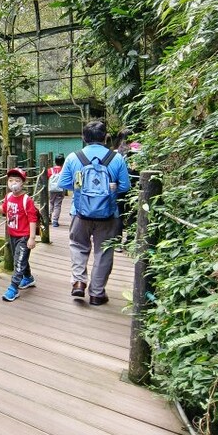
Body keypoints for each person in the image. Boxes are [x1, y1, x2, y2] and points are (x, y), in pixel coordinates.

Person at [57, 121, 130, 306]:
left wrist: (81, 187)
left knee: (78, 246)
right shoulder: (117, 158)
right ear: (105, 137)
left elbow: (63, 184)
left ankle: (79, 282)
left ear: (84, 138)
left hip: (80, 213)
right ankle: (97, 293)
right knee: (104, 252)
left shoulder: (74, 157)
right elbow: (125, 187)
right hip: (109, 214)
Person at [0, 167, 37, 302]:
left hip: (24, 236)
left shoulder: (26, 200)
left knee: (18, 261)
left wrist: (31, 238)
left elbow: (32, 219)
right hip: (13, 235)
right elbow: (4, 210)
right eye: (11, 180)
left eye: (17, 180)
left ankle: (13, 288)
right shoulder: (8, 197)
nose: (13, 183)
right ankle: (28, 278)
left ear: (22, 183)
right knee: (19, 258)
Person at [47, 154, 66, 227]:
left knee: (51, 202)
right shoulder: (64, 170)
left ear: (55, 161)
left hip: (51, 189)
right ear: (63, 162)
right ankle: (55, 221)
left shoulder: (50, 170)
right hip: (60, 189)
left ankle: (48, 217)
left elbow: (47, 177)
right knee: (57, 205)